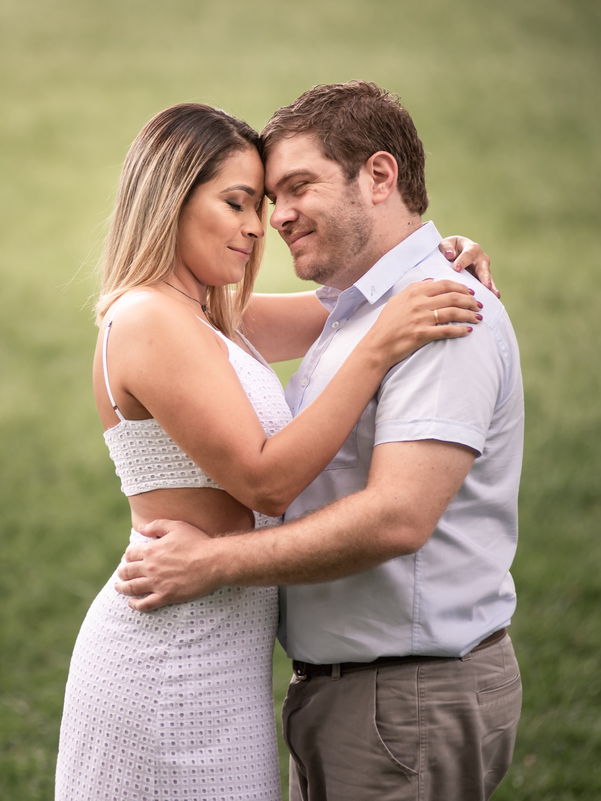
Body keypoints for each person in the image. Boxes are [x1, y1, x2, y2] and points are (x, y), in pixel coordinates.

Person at [56, 101, 492, 800]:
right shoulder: (147, 320)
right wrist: (380, 349)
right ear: (170, 194)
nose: (258, 227)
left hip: (228, 658)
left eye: (259, 205)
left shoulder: (212, 313)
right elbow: (265, 480)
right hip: (168, 658)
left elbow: (356, 299)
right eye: (236, 203)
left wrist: (432, 257)